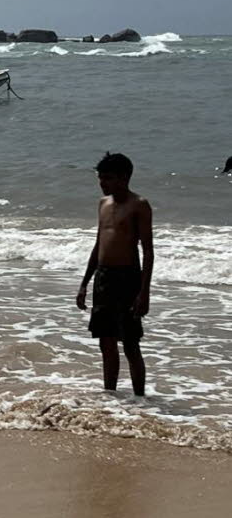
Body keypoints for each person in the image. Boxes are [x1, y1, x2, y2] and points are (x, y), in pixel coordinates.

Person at [76, 152, 153, 396]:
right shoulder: (103, 204)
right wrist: (84, 283)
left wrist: (144, 293)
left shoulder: (139, 205)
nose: (102, 183)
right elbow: (99, 245)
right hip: (103, 278)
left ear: (124, 177)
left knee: (130, 343)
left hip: (128, 278)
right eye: (100, 178)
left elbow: (148, 252)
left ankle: (140, 399)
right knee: (105, 341)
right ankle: (110, 397)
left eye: (108, 178)